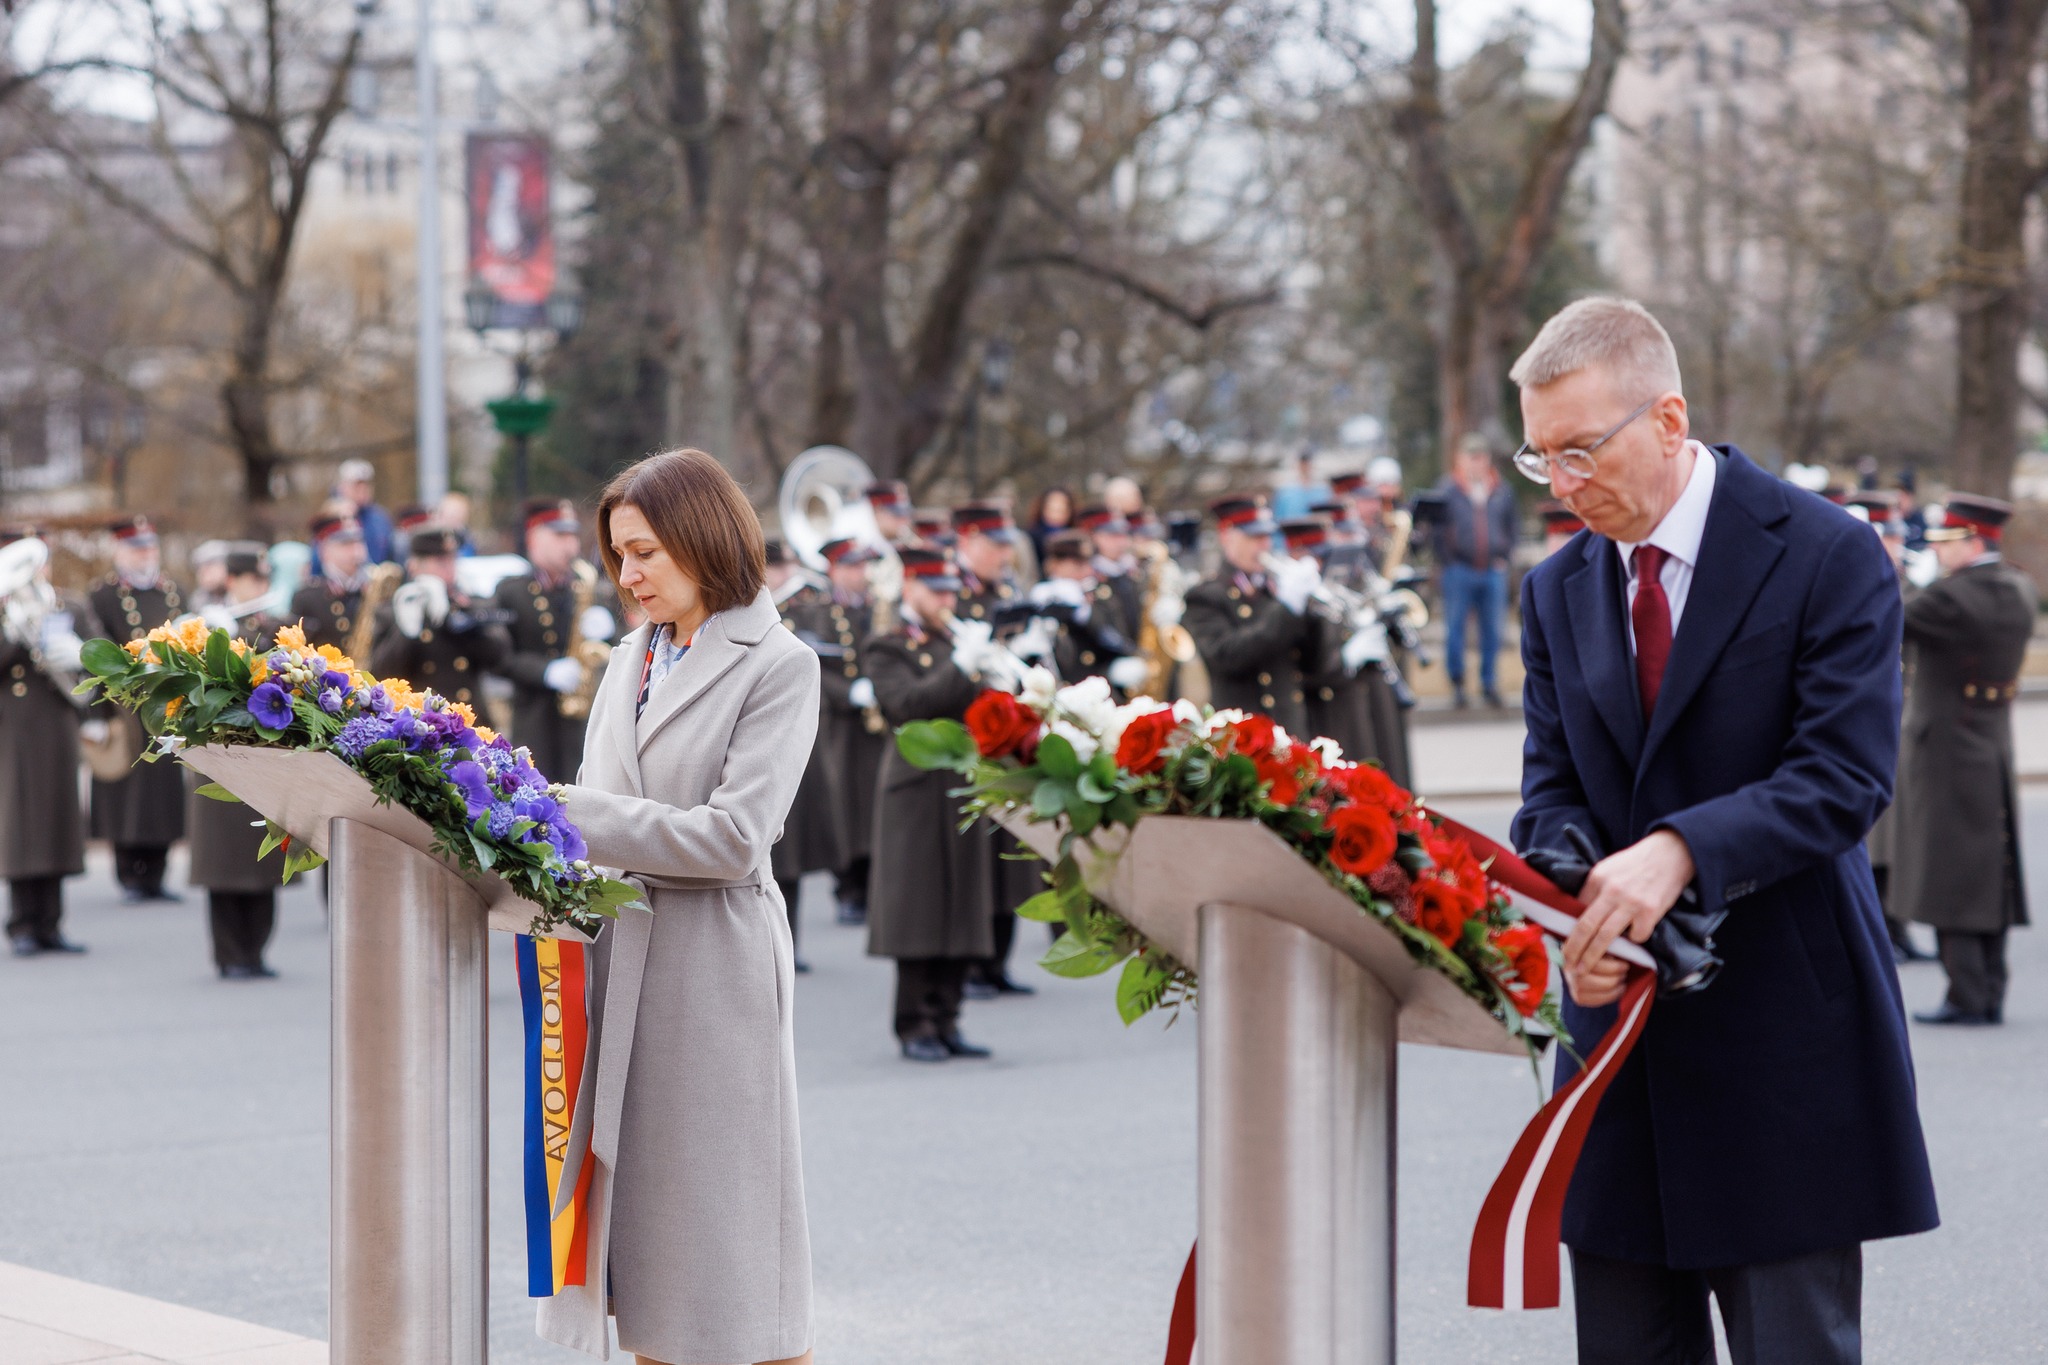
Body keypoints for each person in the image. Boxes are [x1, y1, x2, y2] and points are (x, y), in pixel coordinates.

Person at [1508, 296, 1936, 1363]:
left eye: (1577, 452)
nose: (1561, 486)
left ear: (1666, 418)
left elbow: (1842, 776)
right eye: (1538, 459)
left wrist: (1680, 849)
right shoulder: (1553, 587)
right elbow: (1548, 791)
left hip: (1782, 1040)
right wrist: (1575, 909)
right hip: (1615, 1054)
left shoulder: (1826, 552)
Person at [538, 448, 817, 1365]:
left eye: (648, 551)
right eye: (619, 555)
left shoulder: (780, 663)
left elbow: (736, 837)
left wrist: (568, 813)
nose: (630, 575)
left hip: (711, 958)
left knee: (716, 1225)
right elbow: (597, 800)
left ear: (705, 539)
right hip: (615, 949)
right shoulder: (631, 653)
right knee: (633, 1219)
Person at [865, 545, 1012, 1058]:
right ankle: (915, 1024)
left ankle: (949, 1018)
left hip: (963, 781)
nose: (946, 599)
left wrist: (1002, 673)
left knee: (964, 901)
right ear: (910, 589)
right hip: (914, 786)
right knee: (920, 905)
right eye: (936, 590)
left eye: (952, 590)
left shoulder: (960, 638)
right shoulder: (887, 646)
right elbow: (909, 705)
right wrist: (962, 665)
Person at [1892, 493, 2034, 1026]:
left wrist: (1896, 569)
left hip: (1946, 745)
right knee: (1988, 872)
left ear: (1973, 542)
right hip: (1991, 740)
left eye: (1946, 543)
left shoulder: (1951, 598)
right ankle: (1988, 985)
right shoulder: (2017, 587)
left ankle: (1966, 993)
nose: (1937, 552)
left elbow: (1893, 615)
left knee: (1950, 875)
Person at [187, 548, 287, 979]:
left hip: (266, 755)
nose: (258, 588)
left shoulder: (271, 626)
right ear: (232, 581)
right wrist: (213, 642)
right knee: (223, 857)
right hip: (218, 754)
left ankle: (256, 950)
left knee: (262, 856)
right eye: (249, 579)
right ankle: (229, 953)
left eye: (262, 580)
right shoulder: (206, 622)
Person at [1847, 491, 1932, 966]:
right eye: (1890, 536)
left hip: (1903, 713)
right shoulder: (1858, 582)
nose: (1898, 545)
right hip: (1872, 717)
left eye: (1899, 536)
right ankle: (1879, 924)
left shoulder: (1901, 582)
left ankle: (1896, 925)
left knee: (1897, 835)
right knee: (1874, 833)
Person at [4, 531, 94, 955]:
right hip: (15, 729)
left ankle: (51, 923)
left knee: (56, 822)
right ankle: (22, 923)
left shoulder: (66, 604)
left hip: (57, 725)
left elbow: (98, 656)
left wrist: (78, 652)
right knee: (23, 826)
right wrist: (12, 628)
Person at [89, 515, 188, 902]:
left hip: (169, 704)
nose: (146, 555)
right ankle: (129, 871)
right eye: (137, 548)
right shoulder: (104, 595)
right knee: (126, 792)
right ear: (119, 551)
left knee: (163, 791)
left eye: (150, 547)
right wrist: (95, 717)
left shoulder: (174, 591)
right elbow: (95, 659)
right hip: (126, 708)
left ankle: (157, 873)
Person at [495, 497, 615, 785]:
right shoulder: (512, 591)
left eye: (573, 535)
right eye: (560, 535)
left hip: (579, 724)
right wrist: (545, 671)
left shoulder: (584, 587)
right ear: (534, 537)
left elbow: (613, 649)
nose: (571, 546)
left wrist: (609, 632)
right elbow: (499, 658)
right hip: (533, 722)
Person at [1182, 495, 1322, 736]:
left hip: (1290, 728)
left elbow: (1312, 662)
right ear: (1227, 536)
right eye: (1254, 537)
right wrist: (1287, 608)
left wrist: (1312, 611)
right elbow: (1227, 656)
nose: (1264, 545)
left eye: (1267, 537)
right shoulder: (1206, 595)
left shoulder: (1273, 589)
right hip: (1243, 734)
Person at [769, 540, 842, 971]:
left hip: (799, 736)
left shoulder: (806, 609)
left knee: (791, 853)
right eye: (777, 567)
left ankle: (788, 945)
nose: (786, 575)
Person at [812, 537, 887, 927]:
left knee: (872, 802)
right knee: (844, 802)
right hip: (839, 722)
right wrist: (848, 692)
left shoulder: (878, 607)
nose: (862, 574)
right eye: (854, 567)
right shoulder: (821, 610)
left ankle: (871, 884)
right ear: (835, 569)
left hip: (873, 721)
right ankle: (847, 887)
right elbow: (813, 665)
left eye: (864, 566)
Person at [370, 527, 511, 709]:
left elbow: (500, 658)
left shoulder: (472, 603)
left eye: (452, 560)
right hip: (418, 721)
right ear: (414, 566)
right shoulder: (392, 610)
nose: (449, 569)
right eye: (439, 562)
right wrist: (407, 630)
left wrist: (461, 616)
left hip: (467, 716)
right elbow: (382, 675)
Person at [1437, 432, 1516, 708]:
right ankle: (1457, 683)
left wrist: (1505, 555)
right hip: (1460, 568)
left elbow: (1511, 526)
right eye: (1471, 457)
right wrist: (1447, 559)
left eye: (1480, 457)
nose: (1476, 462)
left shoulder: (1501, 489)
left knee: (1492, 630)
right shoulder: (1448, 489)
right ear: (1460, 459)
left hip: (1492, 569)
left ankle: (1489, 682)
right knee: (1455, 628)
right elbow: (1437, 528)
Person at [289, 511, 371, 654]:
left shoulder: (373, 588)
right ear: (324, 550)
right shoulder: (308, 597)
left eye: (359, 542)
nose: (356, 551)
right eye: (346, 544)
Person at [335, 457, 396, 564]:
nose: (362, 490)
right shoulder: (331, 516)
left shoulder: (380, 518)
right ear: (342, 487)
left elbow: (390, 556)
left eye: (366, 485)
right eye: (356, 486)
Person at [1025, 486, 1075, 562]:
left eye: (1061, 510)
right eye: (1052, 509)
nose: (1056, 515)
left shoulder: (1075, 535)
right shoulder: (1031, 538)